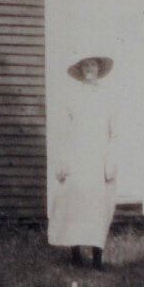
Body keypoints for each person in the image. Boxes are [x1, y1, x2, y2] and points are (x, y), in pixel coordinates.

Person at [48, 52, 117, 270]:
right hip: (76, 155)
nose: (89, 68)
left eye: (93, 64)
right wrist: (62, 161)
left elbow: (115, 132)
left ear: (99, 69)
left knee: (98, 206)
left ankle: (97, 258)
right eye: (85, 65)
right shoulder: (72, 97)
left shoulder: (107, 97)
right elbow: (63, 131)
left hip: (98, 157)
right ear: (80, 69)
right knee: (74, 203)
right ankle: (76, 255)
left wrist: (110, 160)